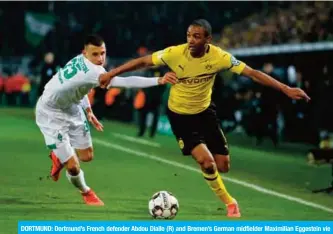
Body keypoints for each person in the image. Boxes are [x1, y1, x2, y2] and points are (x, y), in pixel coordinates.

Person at [98, 19, 310, 217]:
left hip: (205, 114)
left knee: (223, 165)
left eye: (197, 36)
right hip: (180, 116)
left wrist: (285, 88)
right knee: (207, 163)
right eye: (189, 35)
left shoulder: (220, 57)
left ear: (208, 39)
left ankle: (217, 178)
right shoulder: (174, 53)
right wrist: (111, 74)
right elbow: (143, 62)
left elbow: (253, 73)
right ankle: (230, 202)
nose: (191, 40)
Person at [35, 34, 177, 206]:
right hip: (51, 113)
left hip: (72, 107)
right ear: (85, 53)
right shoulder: (95, 72)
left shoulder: (79, 59)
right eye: (95, 54)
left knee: (86, 156)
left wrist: (88, 110)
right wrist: (159, 80)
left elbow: (80, 88)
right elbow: (126, 82)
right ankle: (86, 191)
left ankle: (59, 155)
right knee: (73, 166)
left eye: (103, 53)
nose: (100, 58)